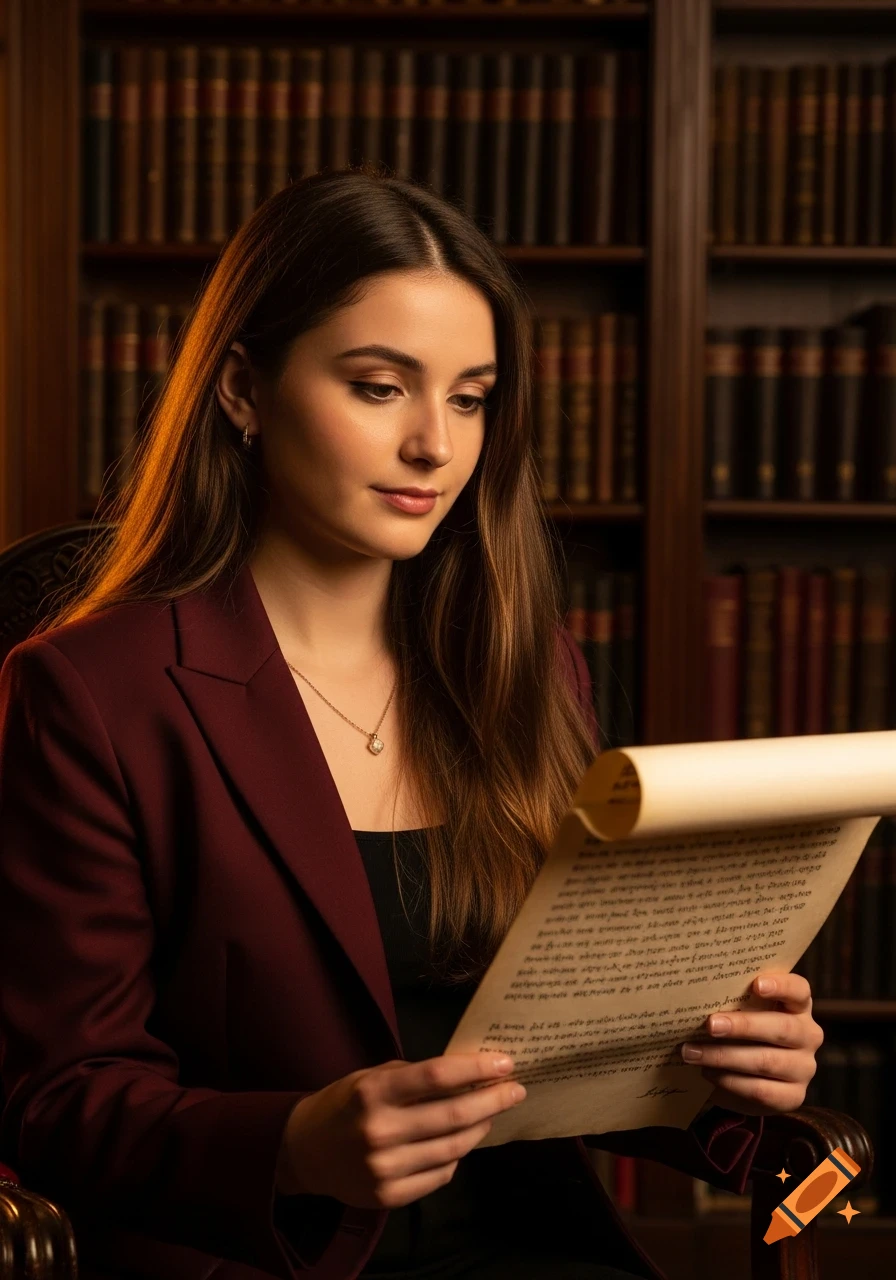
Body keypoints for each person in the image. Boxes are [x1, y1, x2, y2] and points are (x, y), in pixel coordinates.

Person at [0, 167, 822, 1280]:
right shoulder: (92, 689)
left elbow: (553, 1046)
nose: (435, 445)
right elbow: (60, 1099)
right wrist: (295, 1143)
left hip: (534, 1244)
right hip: (266, 1253)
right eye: (380, 386)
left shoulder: (522, 669)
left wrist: (723, 1069)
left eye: (471, 396)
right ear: (242, 390)